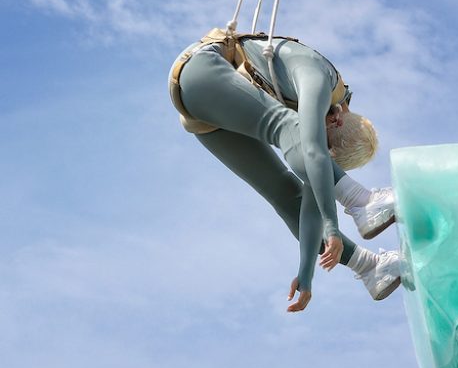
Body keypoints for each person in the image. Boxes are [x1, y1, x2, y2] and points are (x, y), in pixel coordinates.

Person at [168, 27, 401, 308]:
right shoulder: (319, 76)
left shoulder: (319, 128)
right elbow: (312, 150)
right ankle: (362, 200)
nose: (318, 154)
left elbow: (309, 202)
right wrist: (336, 220)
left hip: (202, 115)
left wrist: (306, 272)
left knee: (283, 191)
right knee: (287, 127)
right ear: (337, 118)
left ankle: (369, 268)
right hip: (200, 70)